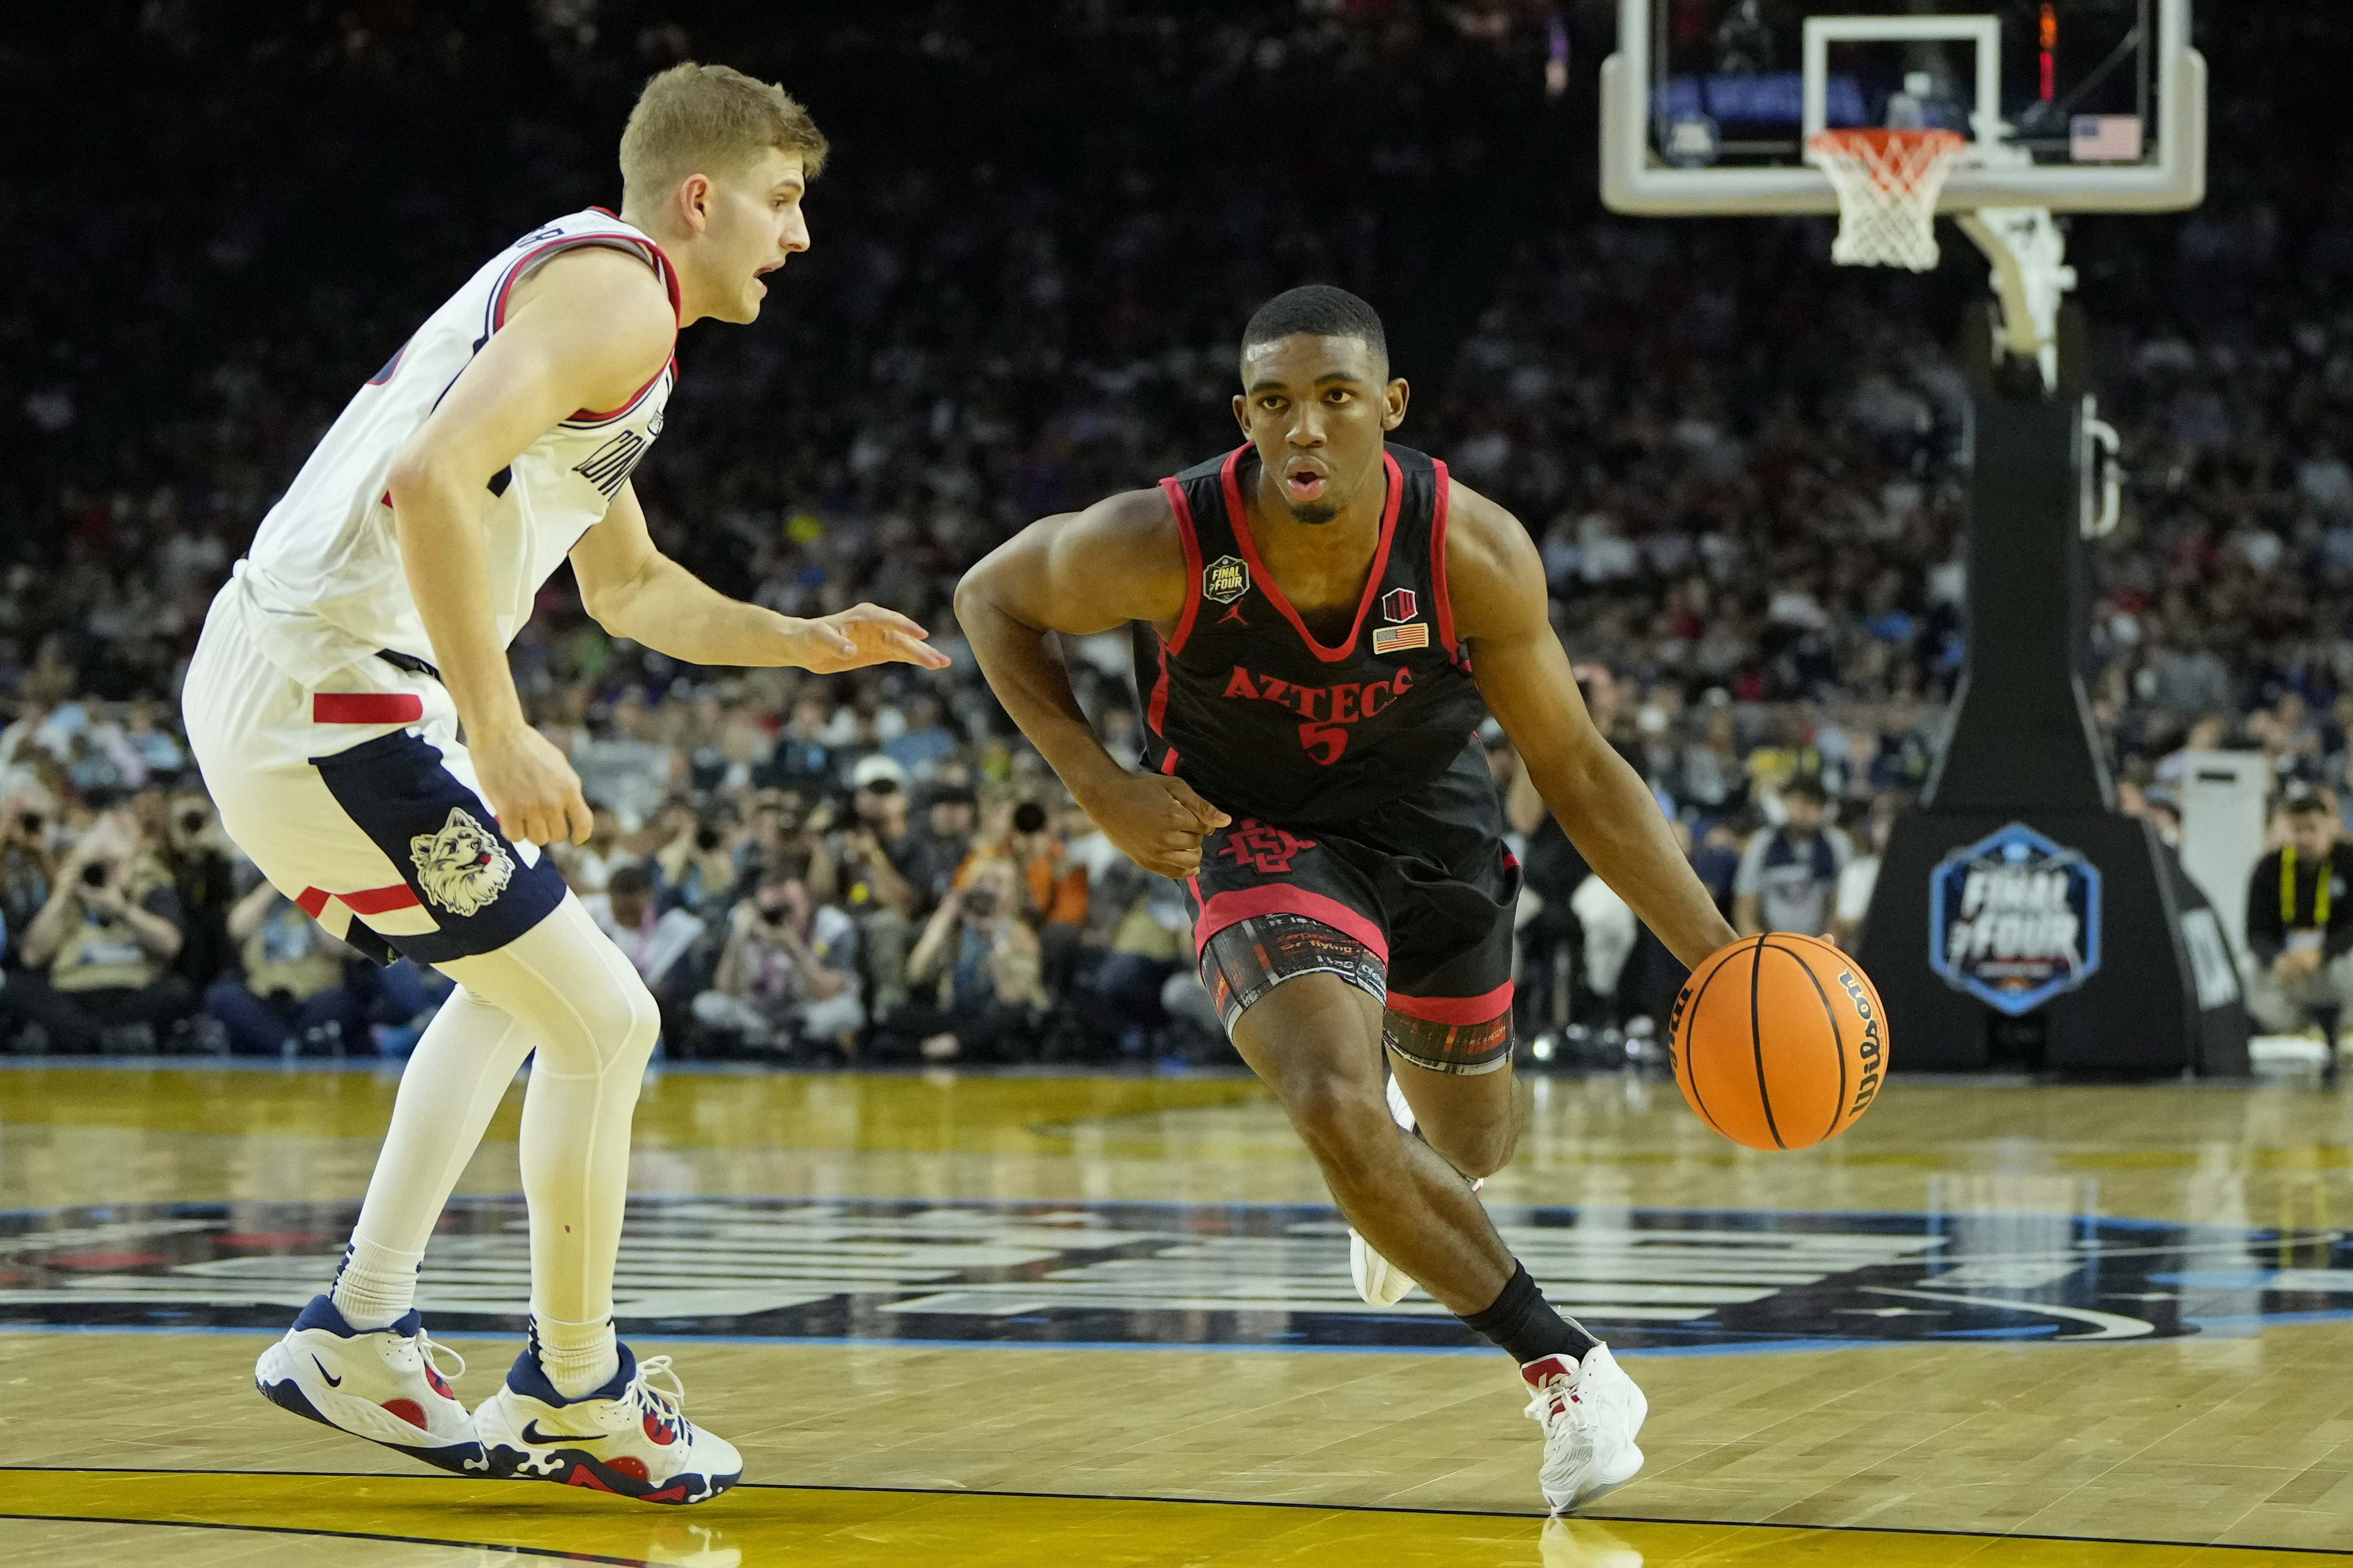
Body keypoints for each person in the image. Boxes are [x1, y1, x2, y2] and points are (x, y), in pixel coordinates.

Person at [179, 62, 946, 1504]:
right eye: (783, 202)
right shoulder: (623, 291)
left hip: (308, 689)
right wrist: (499, 716)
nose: (797, 237)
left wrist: (798, 640)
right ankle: (579, 1390)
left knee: (520, 996)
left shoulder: (600, 309)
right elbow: (428, 477)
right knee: (607, 1017)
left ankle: (360, 1325)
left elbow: (633, 586)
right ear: (700, 197)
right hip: (333, 699)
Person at [956, 285, 1739, 1512]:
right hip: (1251, 834)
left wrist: (1715, 954)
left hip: (1430, 829)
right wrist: (1095, 780)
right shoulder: (1162, 538)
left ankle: (1400, 1176)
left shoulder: (1468, 549)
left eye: (1333, 399)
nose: (1304, 429)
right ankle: (1567, 1362)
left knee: (1470, 1145)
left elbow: (1577, 768)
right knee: (1325, 1093)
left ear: (1390, 406)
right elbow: (987, 598)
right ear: (1243, 418)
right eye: (1275, 404)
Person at [1, 811, 196, 1051]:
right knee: (13, 985)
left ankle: (83, 1038)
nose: (103, 873)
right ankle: (107, 1038)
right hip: (73, 992)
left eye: (112, 865)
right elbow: (31, 956)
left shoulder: (150, 887)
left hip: (132, 989)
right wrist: (62, 894)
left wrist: (122, 908)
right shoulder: (70, 891)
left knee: (178, 989)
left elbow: (171, 944)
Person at [690, 868, 863, 1054]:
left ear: (808, 902)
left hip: (805, 1012)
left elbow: (829, 991)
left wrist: (793, 947)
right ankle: (770, 1041)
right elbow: (726, 990)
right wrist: (738, 938)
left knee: (849, 1010)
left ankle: (783, 1040)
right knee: (706, 1004)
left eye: (789, 907)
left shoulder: (831, 927)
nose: (782, 917)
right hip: (756, 1013)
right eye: (773, 910)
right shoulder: (746, 926)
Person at [2244, 792, 2353, 1071]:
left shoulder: (2349, 861)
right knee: (2249, 970)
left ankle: (2348, 1031)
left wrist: (2322, 953)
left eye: (2312, 829)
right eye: (2297, 830)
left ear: (2331, 825)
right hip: (2290, 966)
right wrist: (2277, 958)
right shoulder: (2269, 869)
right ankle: (2297, 1032)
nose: (2305, 838)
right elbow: (2256, 932)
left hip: (2333, 963)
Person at [1732, 774, 1852, 938]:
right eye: (1797, 802)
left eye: (1812, 804)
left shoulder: (1836, 843)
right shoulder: (1764, 841)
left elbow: (1841, 904)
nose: (1803, 811)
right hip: (1770, 943)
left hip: (1819, 945)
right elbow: (1745, 904)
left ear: (1824, 809)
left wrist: (1827, 945)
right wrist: (1757, 945)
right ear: (1785, 803)